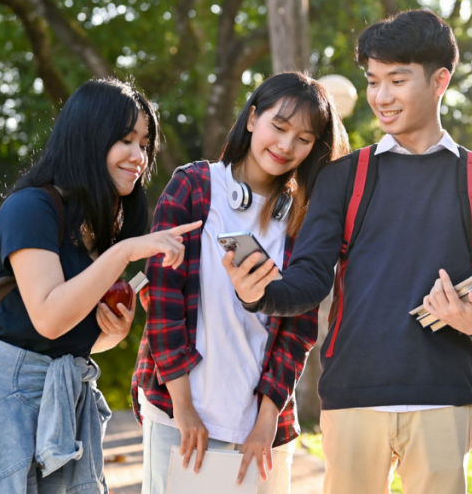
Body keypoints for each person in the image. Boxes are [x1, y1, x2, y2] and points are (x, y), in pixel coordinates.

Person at [226, 10, 472, 494]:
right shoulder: (343, 178)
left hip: (443, 395)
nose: (381, 97)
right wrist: (258, 293)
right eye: (373, 80)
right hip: (353, 395)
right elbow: (309, 280)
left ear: (439, 81)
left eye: (397, 79)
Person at [0, 77, 201, 493]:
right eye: (125, 140)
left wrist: (114, 333)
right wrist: (122, 255)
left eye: (144, 144)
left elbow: (68, 341)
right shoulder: (31, 207)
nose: (138, 156)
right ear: (88, 138)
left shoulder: (104, 227)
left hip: (61, 399)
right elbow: (49, 318)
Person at [131, 72, 349, 494]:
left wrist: (266, 422)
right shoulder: (194, 186)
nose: (286, 146)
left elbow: (300, 328)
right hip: (179, 409)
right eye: (279, 127)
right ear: (252, 118)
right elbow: (163, 301)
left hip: (262, 426)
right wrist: (184, 410)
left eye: (303, 139)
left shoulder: (307, 217)